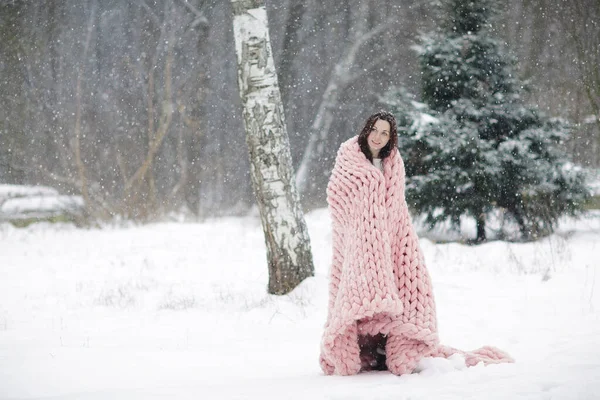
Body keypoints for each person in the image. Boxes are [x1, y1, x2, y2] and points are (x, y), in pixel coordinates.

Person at [319, 111, 512, 376]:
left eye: (385, 133)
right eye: (375, 130)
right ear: (367, 131)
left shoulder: (393, 165)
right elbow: (339, 204)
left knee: (404, 293)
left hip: (392, 242)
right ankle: (364, 348)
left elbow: (397, 209)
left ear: (390, 137)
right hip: (357, 249)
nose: (378, 137)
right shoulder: (349, 163)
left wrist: (392, 238)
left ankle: (389, 347)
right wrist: (365, 233)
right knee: (357, 299)